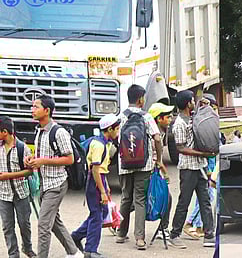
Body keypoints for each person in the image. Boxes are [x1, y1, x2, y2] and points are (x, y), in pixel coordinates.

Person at [26, 94, 82, 258]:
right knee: (54, 222)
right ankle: (74, 252)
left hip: (56, 185)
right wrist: (32, 159)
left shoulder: (59, 132)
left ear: (47, 110)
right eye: (32, 106)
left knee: (44, 225)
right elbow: (42, 154)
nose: (32, 109)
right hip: (44, 184)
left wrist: (43, 161)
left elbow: (69, 158)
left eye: (36, 106)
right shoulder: (39, 131)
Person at [115, 85, 163, 250]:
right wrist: (159, 158)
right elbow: (157, 138)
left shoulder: (120, 117)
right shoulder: (147, 117)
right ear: (141, 99)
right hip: (144, 164)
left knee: (125, 197)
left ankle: (121, 233)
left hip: (125, 164)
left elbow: (115, 138)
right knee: (140, 199)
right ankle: (140, 238)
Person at [168, 90, 216, 249]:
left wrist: (207, 106)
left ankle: (209, 235)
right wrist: (203, 153)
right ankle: (174, 234)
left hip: (200, 166)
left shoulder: (194, 116)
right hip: (188, 168)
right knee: (184, 202)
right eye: (192, 100)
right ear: (188, 103)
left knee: (205, 201)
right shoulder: (179, 123)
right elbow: (181, 148)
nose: (195, 102)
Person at [71, 114, 121, 258]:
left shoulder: (106, 143)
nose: (117, 133)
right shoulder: (99, 145)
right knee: (97, 216)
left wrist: (106, 186)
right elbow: (95, 170)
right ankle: (90, 250)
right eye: (116, 129)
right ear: (109, 129)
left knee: (101, 213)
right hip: (95, 182)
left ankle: (76, 236)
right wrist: (103, 191)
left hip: (100, 180)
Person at [0, 116, 37, 258]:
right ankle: (13, 254)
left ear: (4, 132)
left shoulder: (22, 148)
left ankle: (27, 248)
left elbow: (30, 171)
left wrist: (7, 176)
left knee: (24, 225)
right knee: (7, 227)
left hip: (21, 193)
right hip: (3, 195)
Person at [183, 95, 218, 239]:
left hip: (208, 164)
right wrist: (210, 171)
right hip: (206, 166)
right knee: (206, 197)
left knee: (204, 197)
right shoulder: (202, 121)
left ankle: (198, 225)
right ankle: (192, 223)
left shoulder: (200, 119)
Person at [147, 102, 175, 240]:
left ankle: (163, 228)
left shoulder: (161, 133)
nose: (170, 120)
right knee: (141, 201)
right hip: (148, 172)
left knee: (163, 198)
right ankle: (118, 219)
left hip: (154, 171)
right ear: (159, 119)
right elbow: (156, 159)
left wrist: (164, 172)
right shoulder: (154, 136)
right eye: (167, 117)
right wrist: (164, 171)